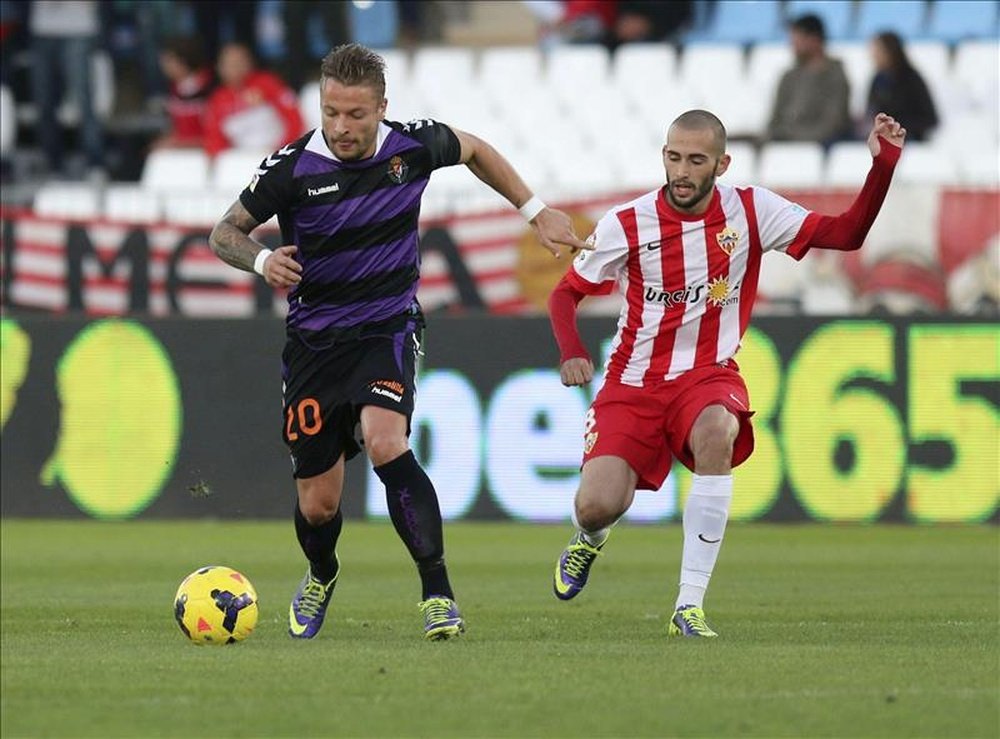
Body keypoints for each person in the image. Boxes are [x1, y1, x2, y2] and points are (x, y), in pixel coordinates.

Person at [208, 43, 588, 641]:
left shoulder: (411, 145)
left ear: (382, 108)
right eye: (331, 112)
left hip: (386, 326)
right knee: (319, 505)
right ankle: (321, 573)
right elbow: (223, 232)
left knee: (387, 442)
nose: (341, 127)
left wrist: (535, 210)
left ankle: (437, 592)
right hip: (313, 342)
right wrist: (259, 261)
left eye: (355, 114)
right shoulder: (289, 168)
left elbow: (477, 150)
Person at [548, 109, 905, 637]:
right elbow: (566, 293)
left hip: (708, 374)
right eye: (674, 158)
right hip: (633, 382)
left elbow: (846, 235)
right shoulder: (627, 222)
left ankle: (688, 605)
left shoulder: (752, 209)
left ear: (722, 163)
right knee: (598, 505)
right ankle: (588, 540)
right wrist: (571, 349)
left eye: (696, 160)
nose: (682, 172)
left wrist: (883, 168)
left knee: (718, 429)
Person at [203, 41, 304, 157]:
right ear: (219, 67)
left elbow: (294, 119)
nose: (235, 67)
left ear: (249, 63)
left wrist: (284, 153)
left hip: (275, 154)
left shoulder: (268, 83)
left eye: (239, 62)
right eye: (229, 63)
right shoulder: (218, 99)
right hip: (239, 159)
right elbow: (213, 136)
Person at [766, 13, 851, 146]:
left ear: (814, 39)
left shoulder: (835, 76)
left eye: (796, 39)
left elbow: (833, 124)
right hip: (783, 145)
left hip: (816, 146)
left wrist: (793, 137)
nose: (792, 44)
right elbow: (774, 121)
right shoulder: (788, 77)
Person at [865, 31, 938, 142]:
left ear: (890, 52)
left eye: (878, 51)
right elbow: (871, 110)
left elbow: (929, 119)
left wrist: (896, 126)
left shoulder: (912, 80)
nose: (873, 55)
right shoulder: (878, 79)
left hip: (908, 138)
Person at [153, 36, 215, 150]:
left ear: (184, 60)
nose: (163, 66)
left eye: (169, 60)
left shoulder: (210, 89)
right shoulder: (174, 90)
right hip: (181, 154)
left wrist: (178, 143)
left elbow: (214, 136)